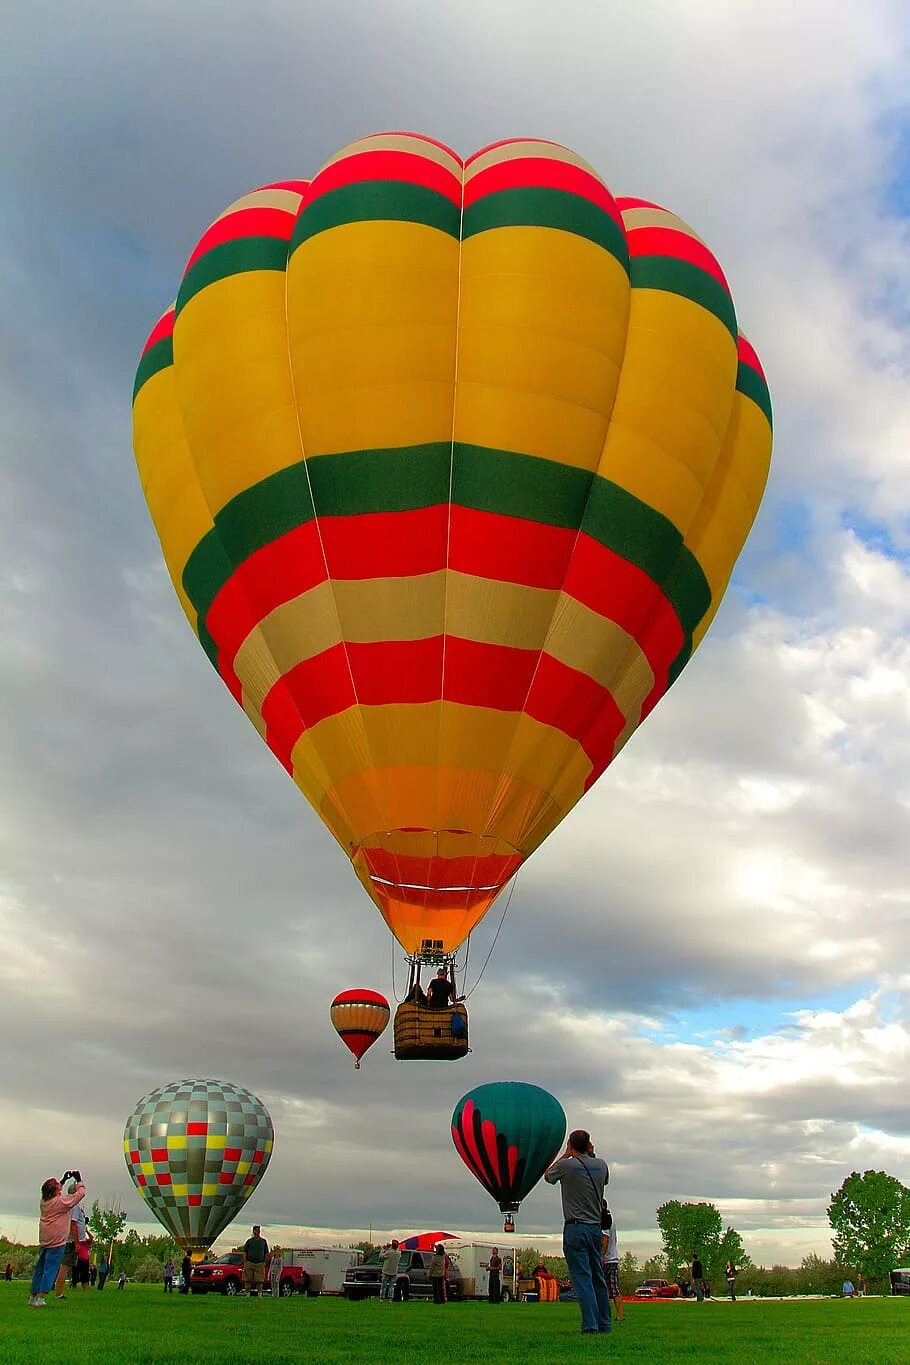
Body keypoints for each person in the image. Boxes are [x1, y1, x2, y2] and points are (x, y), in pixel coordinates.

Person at [544, 1128, 610, 1335]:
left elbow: (548, 1176)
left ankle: (590, 1325)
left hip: (575, 1227)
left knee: (582, 1277)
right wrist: (589, 1153)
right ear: (590, 1144)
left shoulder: (566, 1165)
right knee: (597, 1277)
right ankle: (604, 1324)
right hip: (595, 1229)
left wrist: (566, 1153)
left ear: (571, 1145)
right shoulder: (601, 1165)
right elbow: (603, 1179)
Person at [28, 1171, 86, 1308]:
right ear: (55, 1191)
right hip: (57, 1241)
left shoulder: (44, 1202)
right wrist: (79, 1181)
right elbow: (79, 1195)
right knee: (51, 1269)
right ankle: (41, 1298)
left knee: (40, 1268)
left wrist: (63, 1180)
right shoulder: (61, 1202)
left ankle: (32, 1296)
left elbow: (54, 1191)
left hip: (45, 1239)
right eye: (57, 1186)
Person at [602, 1208, 623, 1323]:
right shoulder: (612, 1220)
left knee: (603, 1288)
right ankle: (619, 1315)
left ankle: (605, 1314)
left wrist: (601, 1257)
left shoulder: (605, 1219)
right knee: (615, 1288)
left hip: (607, 1260)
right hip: (613, 1259)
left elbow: (605, 1239)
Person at [243, 1225, 269, 1297]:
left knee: (260, 1280)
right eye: (256, 1230)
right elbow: (245, 1252)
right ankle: (247, 1294)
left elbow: (266, 1252)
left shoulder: (263, 1241)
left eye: (259, 1230)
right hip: (250, 1263)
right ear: (253, 1231)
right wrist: (245, 1262)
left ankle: (259, 1295)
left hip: (260, 1263)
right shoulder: (249, 1241)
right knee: (247, 1279)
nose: (258, 1232)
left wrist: (264, 1262)